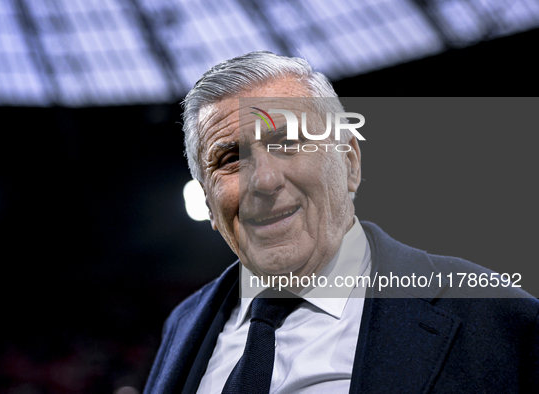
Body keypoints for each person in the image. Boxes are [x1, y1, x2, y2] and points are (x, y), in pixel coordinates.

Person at [143, 51, 538, 394]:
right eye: (231, 159)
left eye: (288, 143)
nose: (263, 181)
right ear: (210, 204)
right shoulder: (182, 326)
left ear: (349, 162)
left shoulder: (498, 318)